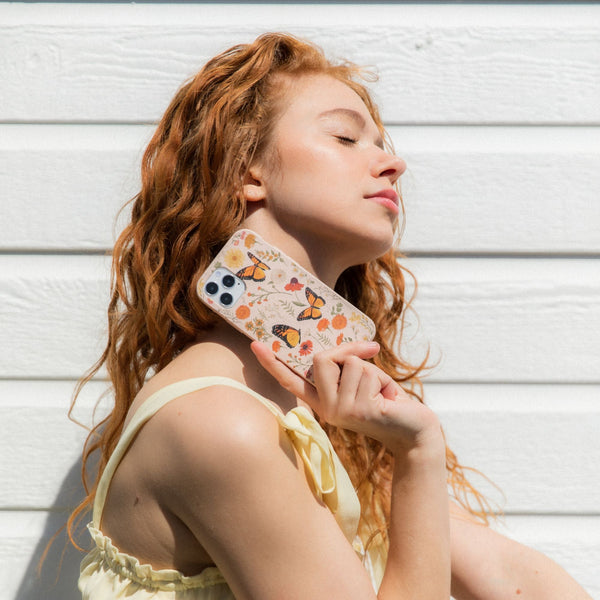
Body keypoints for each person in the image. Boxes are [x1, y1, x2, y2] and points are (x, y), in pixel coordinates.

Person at [69, 33, 592, 599]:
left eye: (380, 143)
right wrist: (418, 451)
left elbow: (503, 572)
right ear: (247, 170)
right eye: (345, 137)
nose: (394, 162)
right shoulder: (220, 422)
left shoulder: (315, 404)